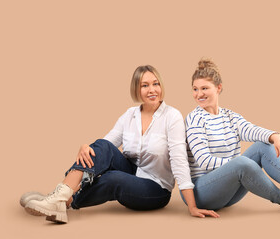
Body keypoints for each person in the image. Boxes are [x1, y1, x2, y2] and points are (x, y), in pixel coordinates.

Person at [21, 65, 219, 223]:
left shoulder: (172, 116)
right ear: (136, 89)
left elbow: (179, 160)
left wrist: (192, 206)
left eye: (155, 83)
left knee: (114, 178)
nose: (152, 90)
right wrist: (86, 147)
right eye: (145, 85)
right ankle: (59, 196)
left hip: (156, 189)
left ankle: (65, 201)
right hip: (132, 171)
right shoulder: (129, 115)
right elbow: (104, 147)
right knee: (101, 146)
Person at [182, 59, 280, 217]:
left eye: (204, 88)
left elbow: (250, 129)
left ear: (218, 88)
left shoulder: (230, 116)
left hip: (227, 193)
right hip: (201, 192)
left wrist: (275, 136)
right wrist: (240, 165)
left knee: (262, 146)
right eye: (195, 89)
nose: (199, 94)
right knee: (241, 162)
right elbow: (204, 161)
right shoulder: (195, 119)